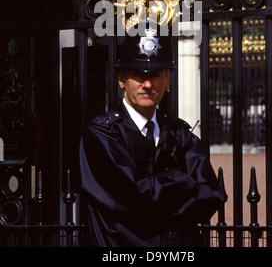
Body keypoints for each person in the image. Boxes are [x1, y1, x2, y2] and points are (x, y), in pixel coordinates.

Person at [79, 18, 224, 247]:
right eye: (138, 74)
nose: (147, 84)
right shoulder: (102, 133)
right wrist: (184, 180)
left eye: (156, 75)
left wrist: (157, 200)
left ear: (168, 82)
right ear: (121, 80)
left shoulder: (179, 132)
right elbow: (136, 195)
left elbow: (212, 193)